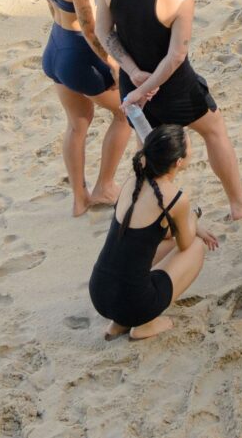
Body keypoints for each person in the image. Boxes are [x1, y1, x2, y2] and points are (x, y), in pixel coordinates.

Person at [96, 0, 242, 218]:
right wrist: (145, 88)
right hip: (173, 88)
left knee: (147, 147)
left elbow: (103, 33)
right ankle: (239, 202)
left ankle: (147, 212)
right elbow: (175, 57)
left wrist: (134, 76)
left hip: (133, 85)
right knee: (214, 130)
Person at [39, 0, 134, 215]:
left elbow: (53, 6)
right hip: (80, 55)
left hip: (57, 46)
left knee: (77, 124)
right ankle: (104, 186)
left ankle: (79, 199)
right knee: (125, 114)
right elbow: (91, 29)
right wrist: (114, 64)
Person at [88, 123, 220, 340]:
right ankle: (144, 324)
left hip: (99, 294)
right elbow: (185, 243)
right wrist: (194, 217)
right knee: (196, 247)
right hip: (136, 305)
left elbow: (161, 234)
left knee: (152, 247)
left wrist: (193, 225)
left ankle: (119, 323)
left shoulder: (133, 181)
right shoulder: (174, 198)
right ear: (178, 162)